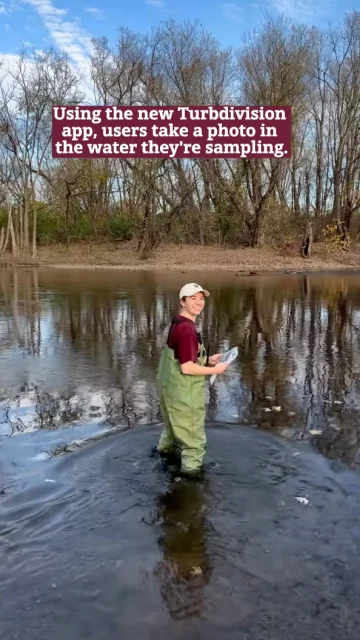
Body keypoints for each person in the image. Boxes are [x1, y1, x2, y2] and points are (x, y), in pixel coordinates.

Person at [155, 282, 230, 478]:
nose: (198, 302)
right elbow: (187, 367)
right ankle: (190, 484)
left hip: (168, 389)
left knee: (172, 430)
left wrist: (207, 359)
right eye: (193, 298)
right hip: (183, 394)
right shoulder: (188, 330)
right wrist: (217, 369)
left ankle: (162, 461)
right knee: (194, 443)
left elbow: (182, 355)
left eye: (201, 298)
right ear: (182, 301)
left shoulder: (178, 322)